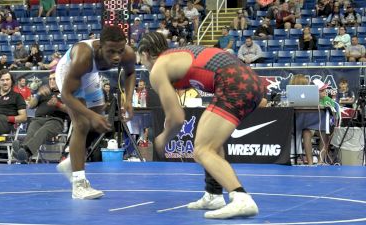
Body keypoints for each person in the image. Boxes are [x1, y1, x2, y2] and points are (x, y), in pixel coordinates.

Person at [137, 32, 261, 219]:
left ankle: (241, 198)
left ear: (145, 54)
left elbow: (177, 118)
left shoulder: (158, 69)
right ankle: (213, 194)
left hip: (234, 81)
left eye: (141, 60)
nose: (142, 65)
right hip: (250, 81)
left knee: (202, 149)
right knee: (210, 141)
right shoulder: (176, 55)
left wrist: (163, 137)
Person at [55, 26, 136, 200]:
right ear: (99, 46)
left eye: (120, 51)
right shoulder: (84, 56)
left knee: (100, 124)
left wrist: (128, 99)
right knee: (83, 123)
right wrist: (91, 115)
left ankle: (71, 162)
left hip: (90, 74)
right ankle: (78, 184)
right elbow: (67, 95)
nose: (116, 57)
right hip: (70, 72)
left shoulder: (127, 53)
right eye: (111, 52)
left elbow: (130, 73)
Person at [13, 72, 68, 163]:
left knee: (43, 131)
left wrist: (58, 104)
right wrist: (38, 94)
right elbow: (30, 105)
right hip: (38, 119)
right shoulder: (44, 91)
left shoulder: (66, 92)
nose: (51, 81)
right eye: (50, 79)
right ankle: (23, 153)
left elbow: (71, 110)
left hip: (55, 121)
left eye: (54, 79)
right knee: (31, 131)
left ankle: (25, 151)